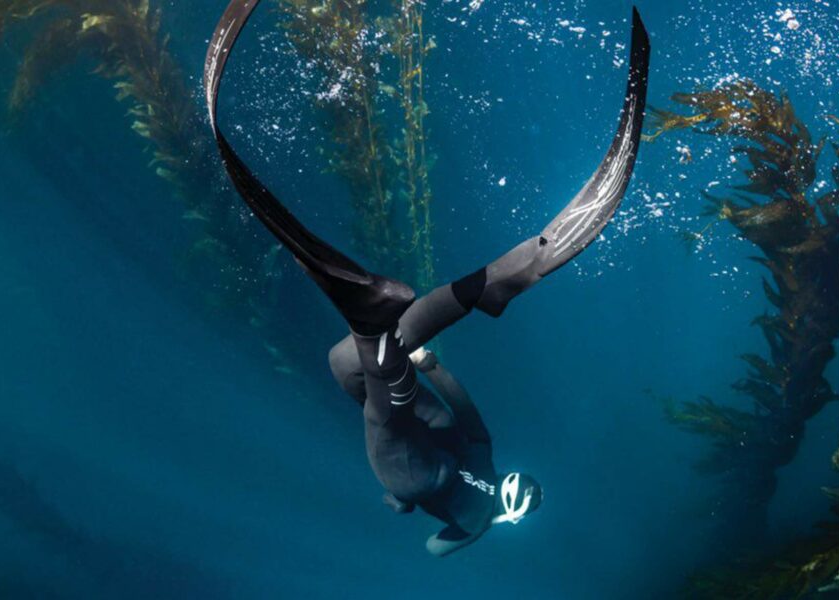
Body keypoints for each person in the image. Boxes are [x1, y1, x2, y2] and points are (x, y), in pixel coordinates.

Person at [204, 0, 651, 556]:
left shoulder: (487, 461)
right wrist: (420, 508)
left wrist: (432, 365)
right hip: (414, 472)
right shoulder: (478, 523)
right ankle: (373, 321)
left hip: (436, 432)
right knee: (378, 398)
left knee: (350, 367)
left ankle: (482, 289)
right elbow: (433, 550)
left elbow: (475, 426)